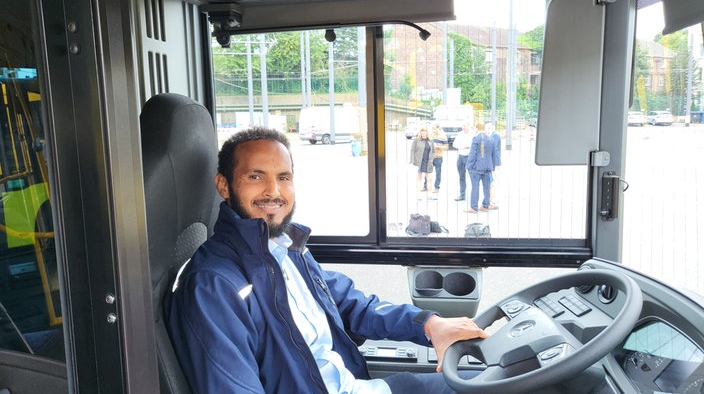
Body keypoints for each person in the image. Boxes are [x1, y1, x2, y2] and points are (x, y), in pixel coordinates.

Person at [164, 127, 488, 394]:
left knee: (490, 384)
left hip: (356, 386)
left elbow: (352, 305)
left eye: (284, 177)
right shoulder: (213, 285)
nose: (273, 190)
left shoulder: (286, 249)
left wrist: (430, 324)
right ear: (224, 186)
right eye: (255, 177)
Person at [464, 123, 497, 213]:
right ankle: (485, 205)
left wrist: (468, 165)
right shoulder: (491, 139)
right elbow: (494, 155)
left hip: (476, 167)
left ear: (476, 128)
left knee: (475, 186)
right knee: (486, 187)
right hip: (488, 167)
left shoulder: (476, 138)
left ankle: (473, 207)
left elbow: (473, 154)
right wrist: (492, 167)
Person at [409, 127, 435, 199]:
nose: (423, 133)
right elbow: (412, 150)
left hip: (428, 161)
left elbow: (433, 151)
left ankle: (430, 195)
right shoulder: (416, 140)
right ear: (420, 133)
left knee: (429, 178)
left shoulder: (431, 140)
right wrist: (412, 160)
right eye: (422, 131)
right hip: (419, 161)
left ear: (427, 132)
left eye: (425, 131)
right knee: (419, 178)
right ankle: (419, 196)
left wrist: (432, 159)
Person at [452, 122, 472, 201]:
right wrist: (462, 146)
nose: (463, 127)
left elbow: (473, 145)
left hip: (469, 157)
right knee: (461, 177)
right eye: (462, 126)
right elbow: (454, 144)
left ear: (468, 126)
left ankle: (474, 195)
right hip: (460, 157)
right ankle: (462, 195)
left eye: (464, 125)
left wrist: (467, 146)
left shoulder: (472, 134)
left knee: (472, 177)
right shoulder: (459, 134)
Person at [429, 124, 448, 193]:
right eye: (432, 129)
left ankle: (436, 187)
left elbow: (446, 147)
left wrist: (438, 147)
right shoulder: (430, 136)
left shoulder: (443, 136)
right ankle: (426, 186)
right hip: (430, 157)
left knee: (438, 173)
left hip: (438, 157)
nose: (433, 130)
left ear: (438, 129)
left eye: (434, 129)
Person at [487, 122, 501, 208]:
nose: (486, 130)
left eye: (487, 128)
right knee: (492, 183)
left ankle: (493, 202)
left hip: (494, 163)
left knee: (493, 183)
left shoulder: (495, 135)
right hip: (493, 162)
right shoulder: (493, 135)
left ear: (491, 128)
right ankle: (491, 201)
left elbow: (491, 147)